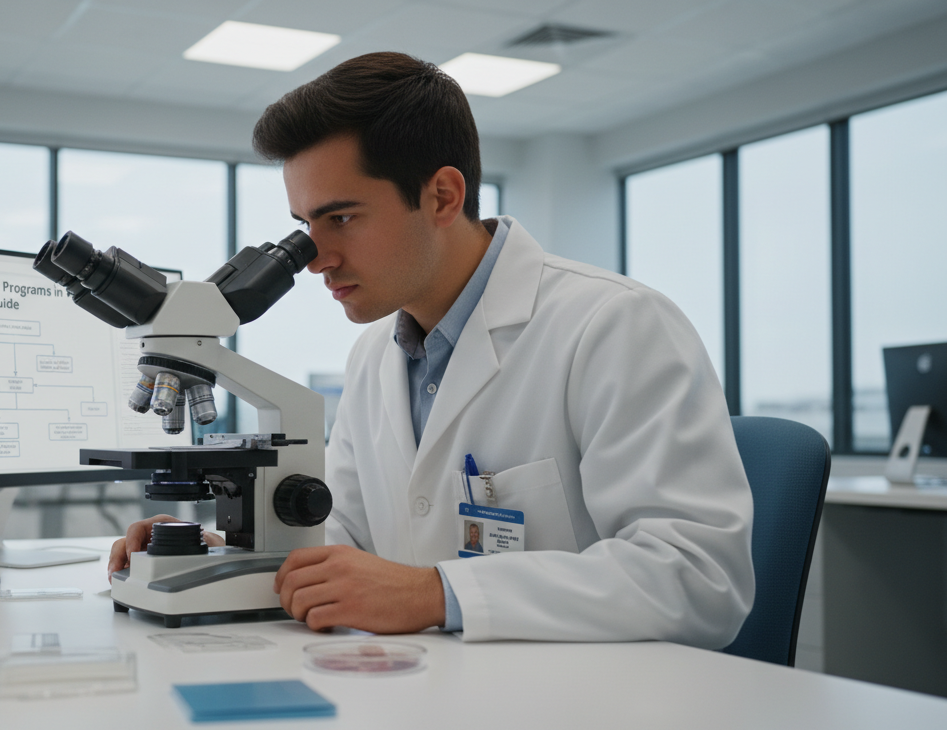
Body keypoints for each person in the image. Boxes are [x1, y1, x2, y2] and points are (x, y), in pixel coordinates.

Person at [108, 52, 754, 647]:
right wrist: (218, 555)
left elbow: (700, 578)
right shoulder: (373, 356)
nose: (316, 259)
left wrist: (436, 593)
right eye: (305, 226)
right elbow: (346, 539)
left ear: (443, 196)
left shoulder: (614, 326)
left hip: (579, 707)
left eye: (341, 218)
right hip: (428, 694)